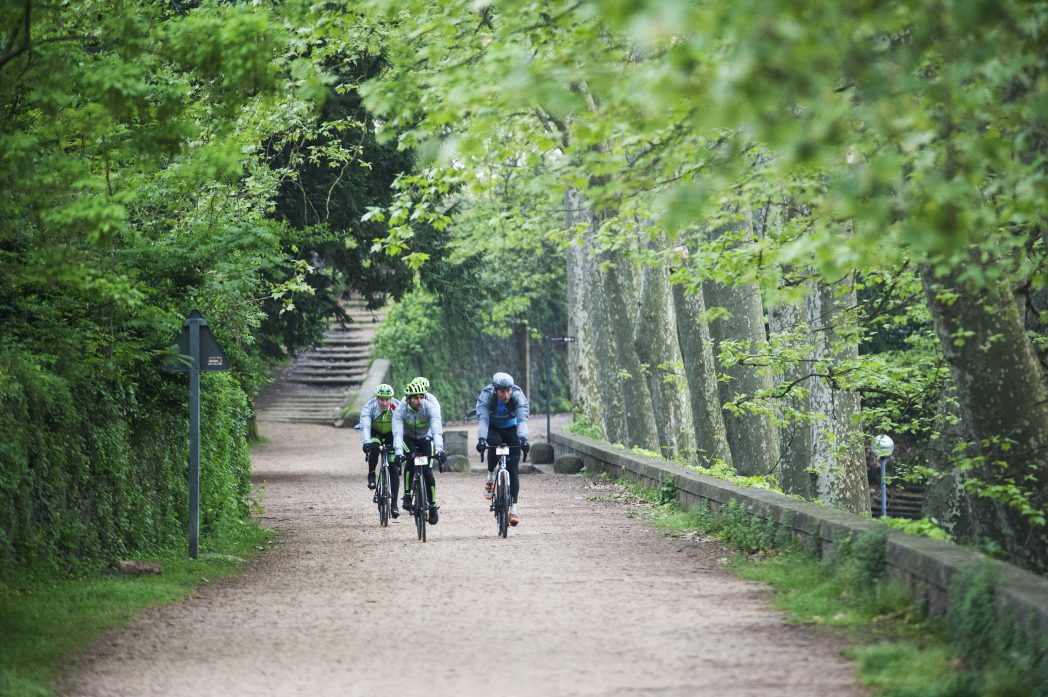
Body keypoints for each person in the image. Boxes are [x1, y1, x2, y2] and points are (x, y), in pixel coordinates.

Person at [475, 371, 529, 526]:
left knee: (513, 470)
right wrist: (481, 439)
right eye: (502, 391)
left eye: (508, 391)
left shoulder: (517, 396)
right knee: (494, 445)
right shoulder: (487, 396)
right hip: (493, 428)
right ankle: (491, 476)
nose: (505, 394)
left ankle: (513, 509)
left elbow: (522, 419)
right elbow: (484, 420)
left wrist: (524, 439)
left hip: (511, 428)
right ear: (495, 390)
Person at [393, 378, 445, 525]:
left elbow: (436, 431)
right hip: (407, 438)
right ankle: (408, 495)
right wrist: (398, 453)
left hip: (425, 438)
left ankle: (433, 506)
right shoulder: (401, 410)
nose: (420, 401)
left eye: (422, 397)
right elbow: (397, 433)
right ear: (408, 399)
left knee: (428, 472)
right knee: (410, 459)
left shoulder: (430, 407)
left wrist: (440, 449)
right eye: (416, 398)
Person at [359, 383, 401, 518]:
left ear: (391, 399)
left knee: (394, 468)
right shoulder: (369, 407)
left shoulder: (397, 406)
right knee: (375, 449)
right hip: (375, 433)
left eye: (387, 399)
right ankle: (371, 474)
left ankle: (394, 504)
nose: (384, 402)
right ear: (377, 399)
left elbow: (402, 427)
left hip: (391, 435)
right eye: (381, 399)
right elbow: (365, 425)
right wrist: (366, 442)